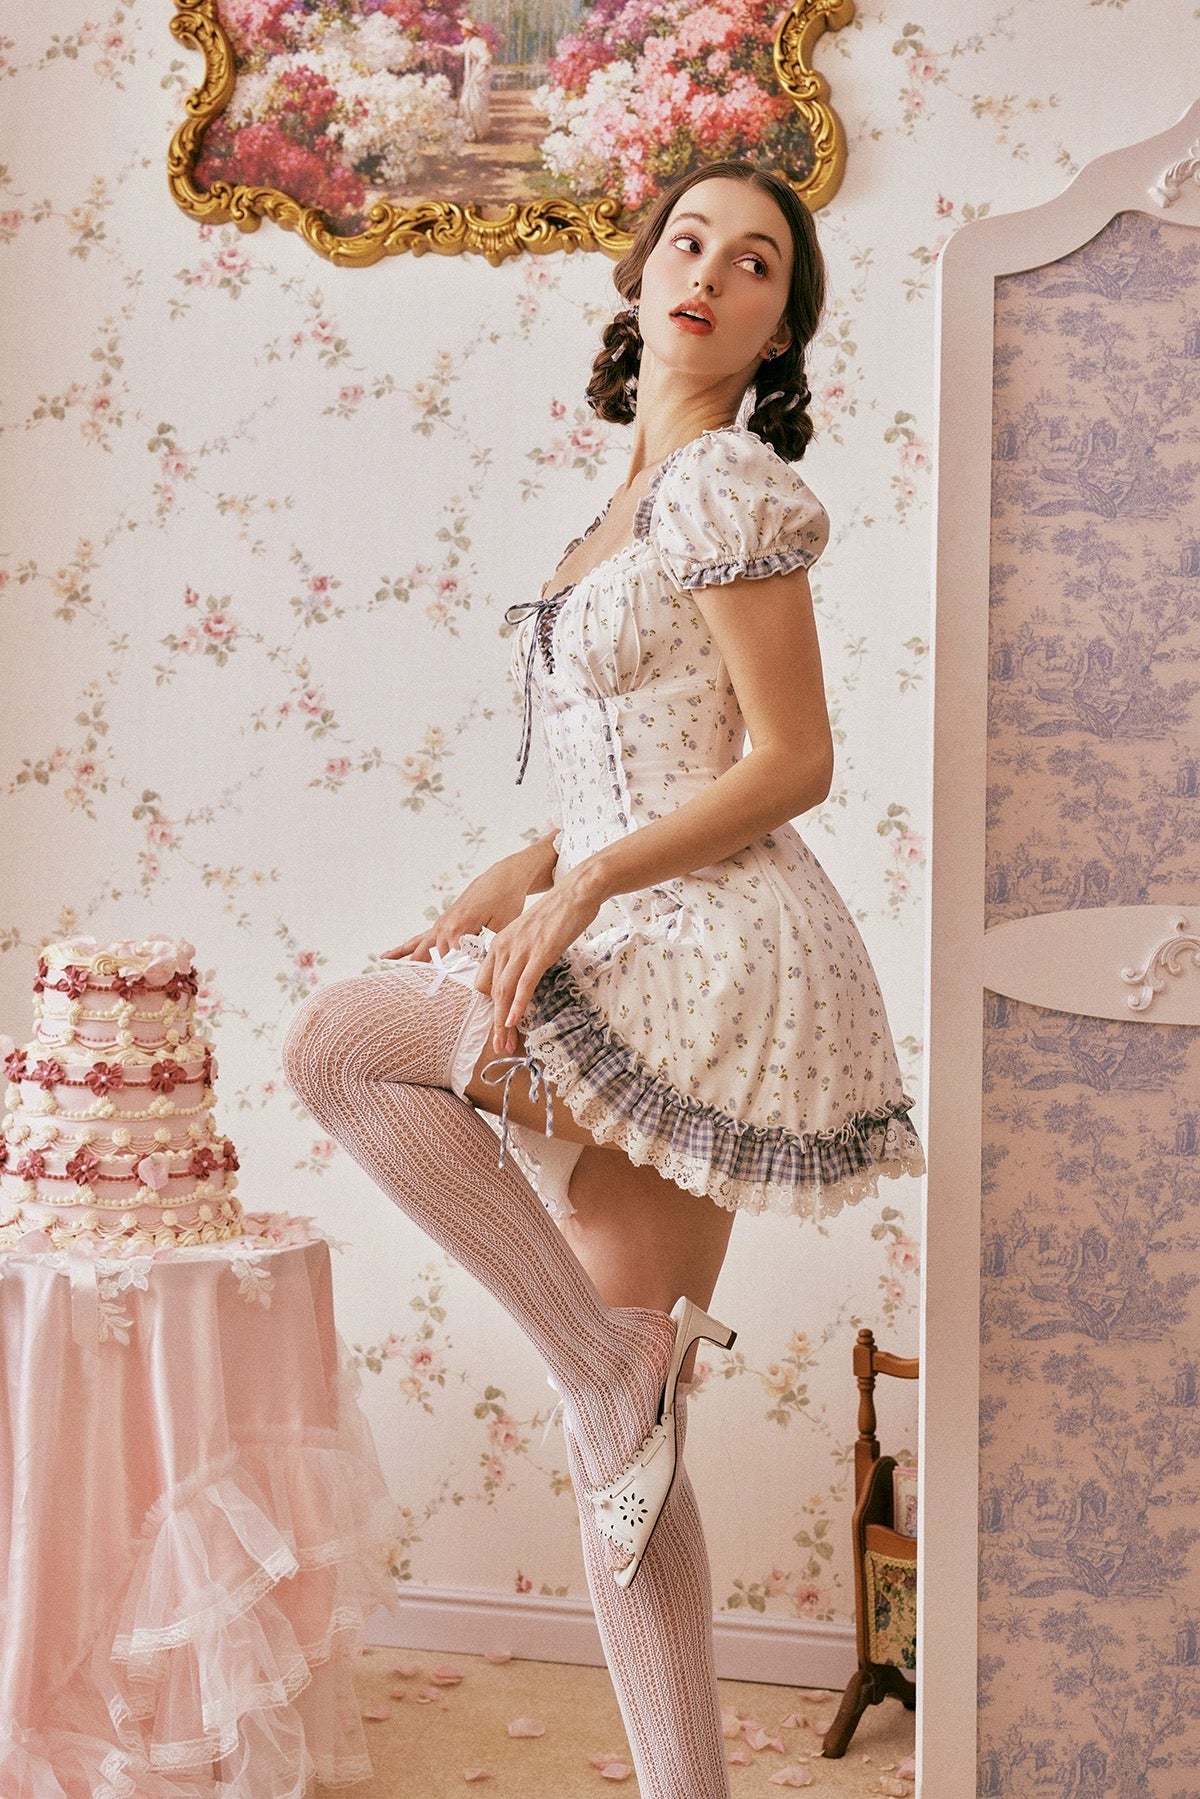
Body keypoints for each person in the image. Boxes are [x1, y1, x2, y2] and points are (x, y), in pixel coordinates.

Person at [282, 157, 925, 1799]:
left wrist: (587, 880)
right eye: (689, 240)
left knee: (342, 1042)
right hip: (627, 912)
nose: (712, 269)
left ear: (784, 324)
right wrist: (527, 862)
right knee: (620, 1438)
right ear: (638, 275)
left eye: (758, 261)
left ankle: (599, 1356)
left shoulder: (726, 485)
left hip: (707, 947)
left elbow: (791, 760)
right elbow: (644, 754)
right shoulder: (616, 511)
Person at [442, 16, 492, 142]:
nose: (461, 30)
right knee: (467, 103)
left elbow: (486, 57)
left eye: (462, 28)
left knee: (475, 104)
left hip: (478, 77)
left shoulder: (477, 42)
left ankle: (478, 132)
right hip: (472, 77)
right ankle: (470, 133)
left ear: (469, 30)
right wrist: (441, 47)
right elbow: (457, 51)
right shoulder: (468, 42)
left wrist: (478, 74)